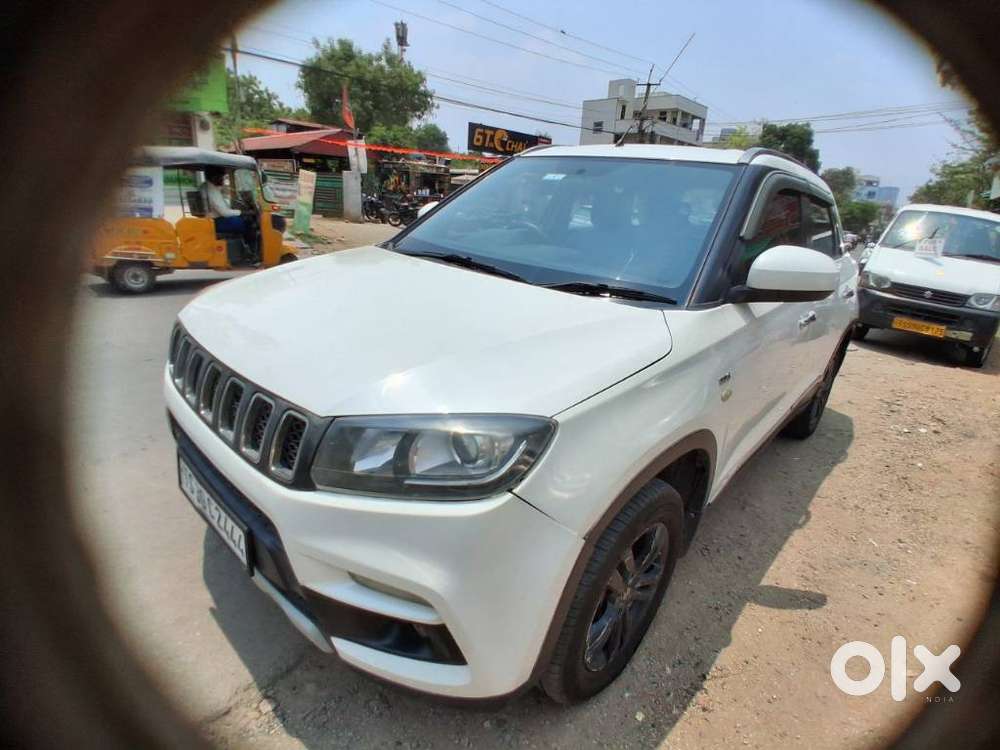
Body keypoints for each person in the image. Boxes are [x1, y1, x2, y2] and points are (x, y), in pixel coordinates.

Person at [199, 167, 257, 261]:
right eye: (221, 177)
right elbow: (225, 213)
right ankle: (252, 252)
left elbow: (222, 207)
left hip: (212, 220)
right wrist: (243, 212)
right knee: (249, 224)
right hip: (217, 222)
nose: (223, 180)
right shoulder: (212, 191)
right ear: (214, 177)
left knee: (242, 221)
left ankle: (245, 249)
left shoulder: (205, 186)